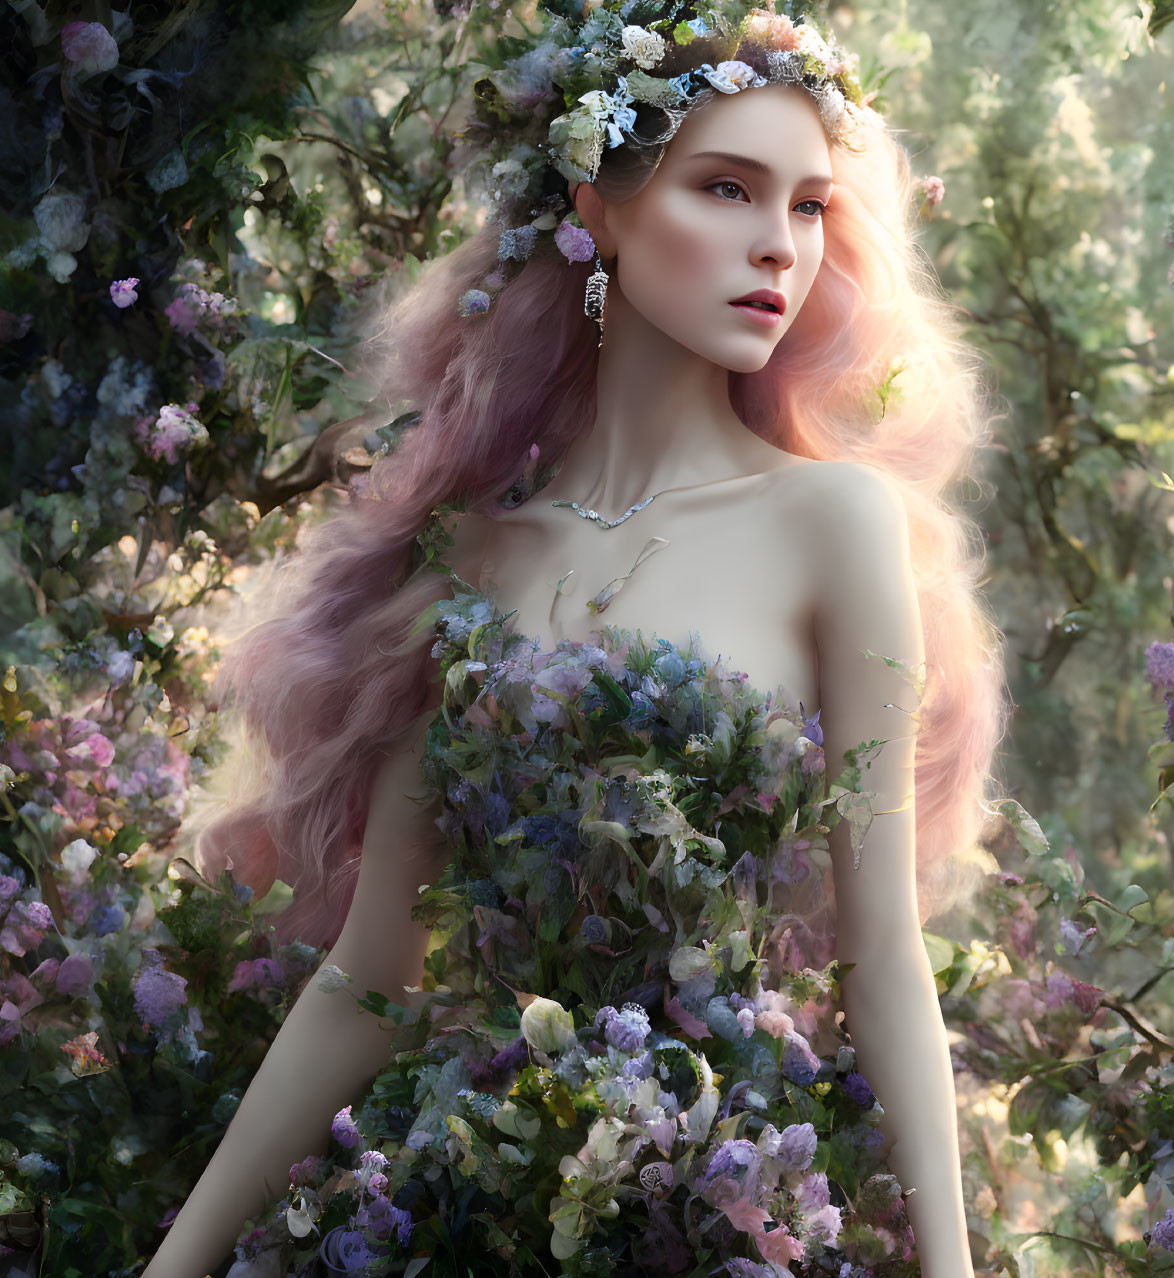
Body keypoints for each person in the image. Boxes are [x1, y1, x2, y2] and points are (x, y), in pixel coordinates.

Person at [143, 4, 1012, 1275]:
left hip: (716, 1207)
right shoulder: (475, 556)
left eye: (809, 206)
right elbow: (371, 976)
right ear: (595, 208)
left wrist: (951, 1267)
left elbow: (882, 956)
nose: (778, 247)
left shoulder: (835, 521)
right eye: (725, 188)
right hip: (469, 1202)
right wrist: (178, 1262)